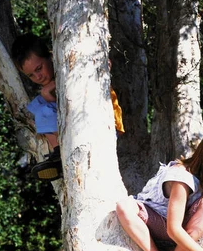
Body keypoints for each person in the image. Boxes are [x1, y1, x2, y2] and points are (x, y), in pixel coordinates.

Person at [11, 33, 125, 181]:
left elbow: (101, 66)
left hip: (106, 123)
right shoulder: (47, 89)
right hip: (79, 129)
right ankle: (58, 155)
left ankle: (60, 155)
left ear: (51, 57)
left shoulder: (70, 70)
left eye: (39, 68)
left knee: (44, 109)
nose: (38, 77)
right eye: (31, 75)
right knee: (40, 108)